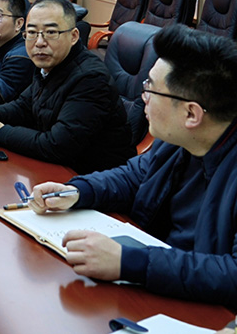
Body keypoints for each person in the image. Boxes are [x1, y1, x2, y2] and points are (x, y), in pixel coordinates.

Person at [29, 25, 237, 309]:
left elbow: (232, 274)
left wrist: (128, 261)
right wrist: (77, 191)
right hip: (158, 286)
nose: (143, 97)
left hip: (204, 311)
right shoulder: (176, 142)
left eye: (151, 88)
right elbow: (132, 177)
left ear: (191, 114)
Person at [0, 0, 134, 173]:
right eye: (32, 33)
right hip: (54, 168)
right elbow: (23, 106)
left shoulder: (90, 78)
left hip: (89, 178)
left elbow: (58, 145)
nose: (39, 43)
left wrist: (0, 132)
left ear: (73, 36)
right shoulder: (50, 63)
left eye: (51, 33)